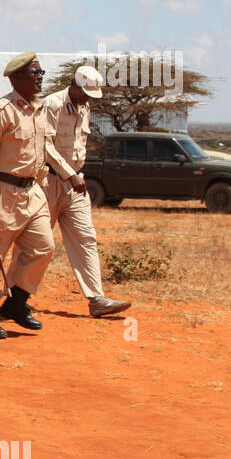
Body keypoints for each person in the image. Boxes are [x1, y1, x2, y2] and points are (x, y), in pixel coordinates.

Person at [0, 51, 55, 339]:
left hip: (33, 191)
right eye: (34, 73)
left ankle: (17, 303)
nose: (40, 78)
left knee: (43, 247)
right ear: (14, 77)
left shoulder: (40, 109)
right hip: (1, 191)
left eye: (41, 73)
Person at [43, 65, 132, 318]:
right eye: (84, 93)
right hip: (50, 181)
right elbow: (45, 145)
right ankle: (16, 296)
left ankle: (96, 299)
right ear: (73, 84)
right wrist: (67, 174)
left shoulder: (85, 106)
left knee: (86, 239)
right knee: (38, 242)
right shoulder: (52, 104)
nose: (86, 98)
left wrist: (75, 174)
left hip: (75, 184)